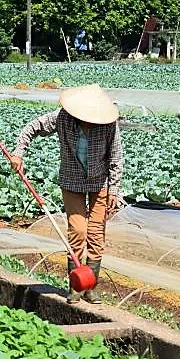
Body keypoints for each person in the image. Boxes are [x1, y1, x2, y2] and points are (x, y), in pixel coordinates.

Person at [10, 84, 123, 304]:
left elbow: (116, 157)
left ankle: (90, 287)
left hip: (100, 183)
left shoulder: (109, 124)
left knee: (96, 235)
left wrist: (114, 191)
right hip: (72, 182)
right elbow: (33, 127)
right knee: (78, 231)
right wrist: (18, 154)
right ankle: (76, 286)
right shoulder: (63, 118)